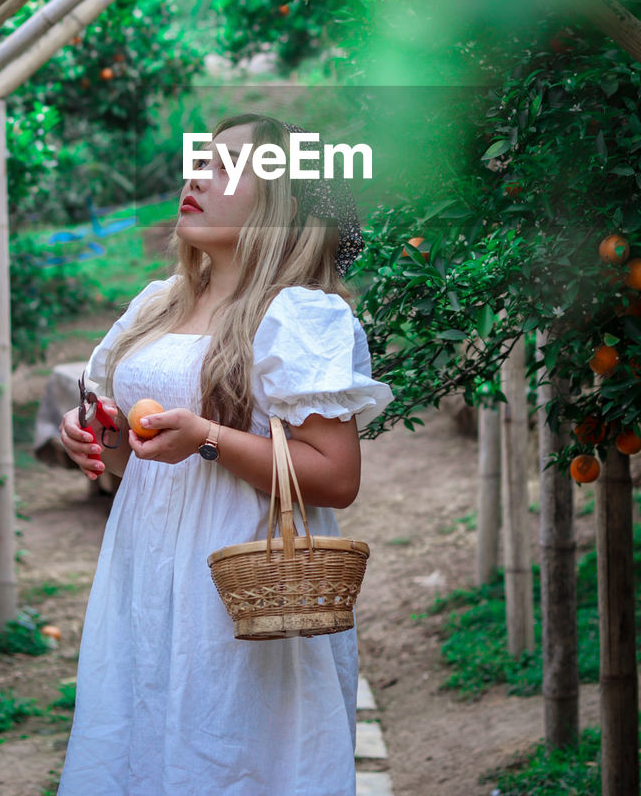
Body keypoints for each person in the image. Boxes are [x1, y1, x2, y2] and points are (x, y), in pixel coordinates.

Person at [56, 111, 393, 796]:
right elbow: (141, 463)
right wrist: (102, 442)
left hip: (241, 584)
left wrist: (207, 438)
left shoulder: (299, 315)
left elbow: (334, 476)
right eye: (198, 161)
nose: (196, 175)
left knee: (232, 753)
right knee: (140, 736)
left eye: (225, 166)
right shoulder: (155, 306)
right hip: (144, 573)